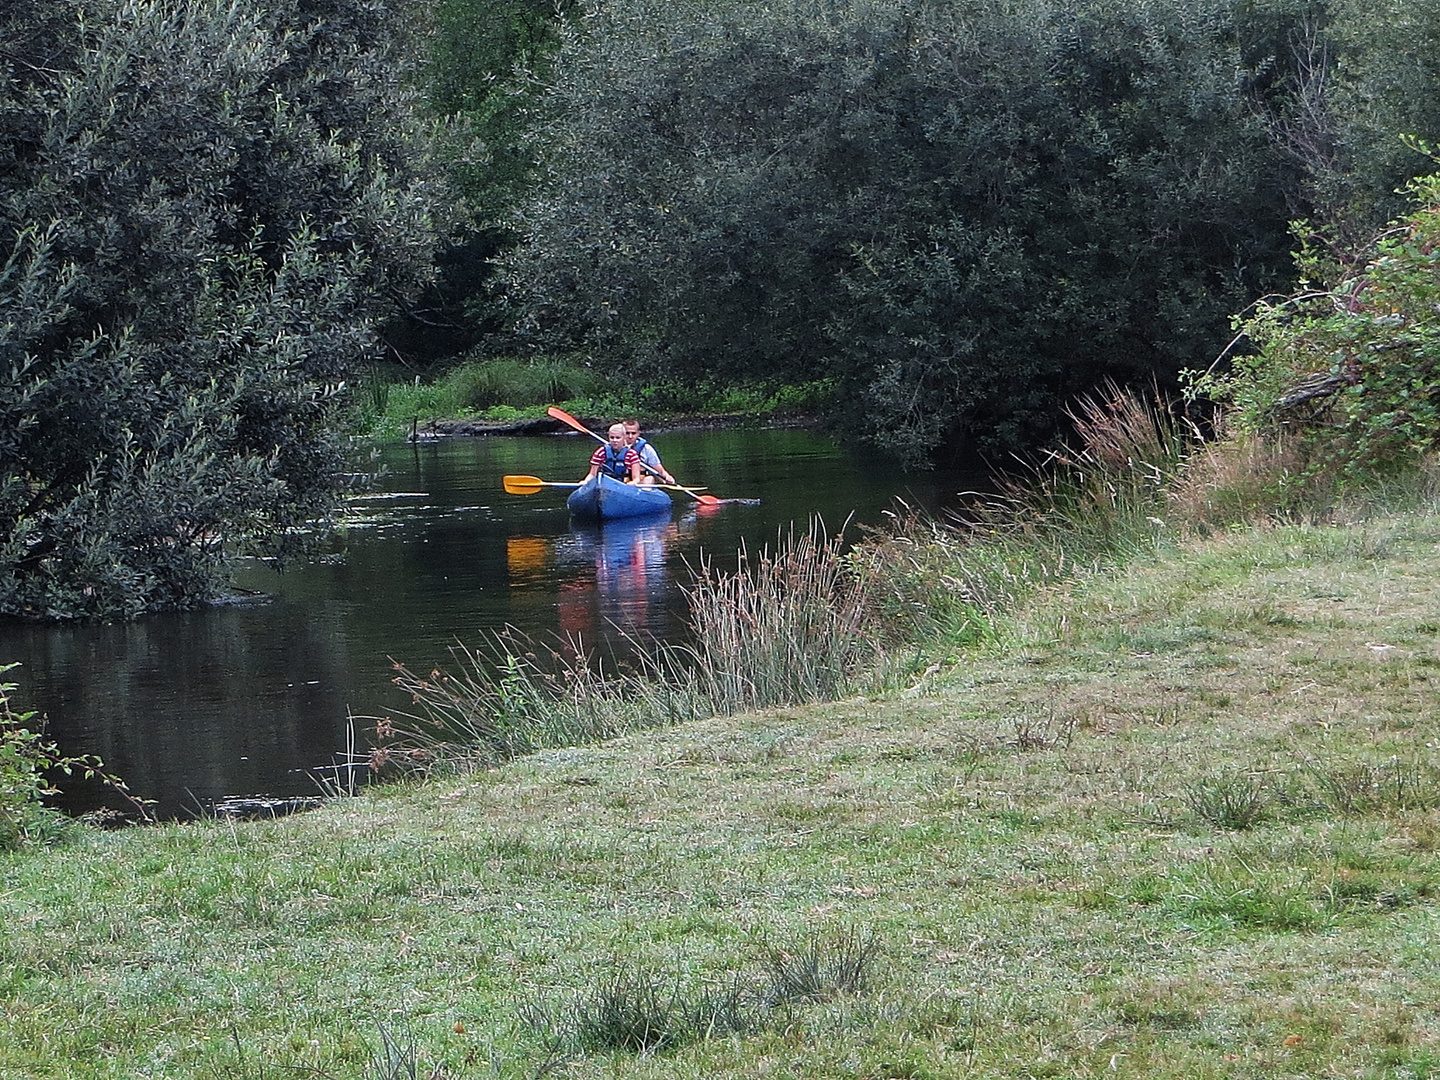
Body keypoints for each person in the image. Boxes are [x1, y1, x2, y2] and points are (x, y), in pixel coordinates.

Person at [623, 418, 676, 486]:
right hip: (620, 482)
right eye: (627, 433)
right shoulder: (614, 447)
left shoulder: (646, 449)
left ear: (638, 433)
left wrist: (667, 477)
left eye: (633, 433)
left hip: (639, 483)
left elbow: (660, 470)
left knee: (649, 479)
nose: (630, 436)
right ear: (622, 433)